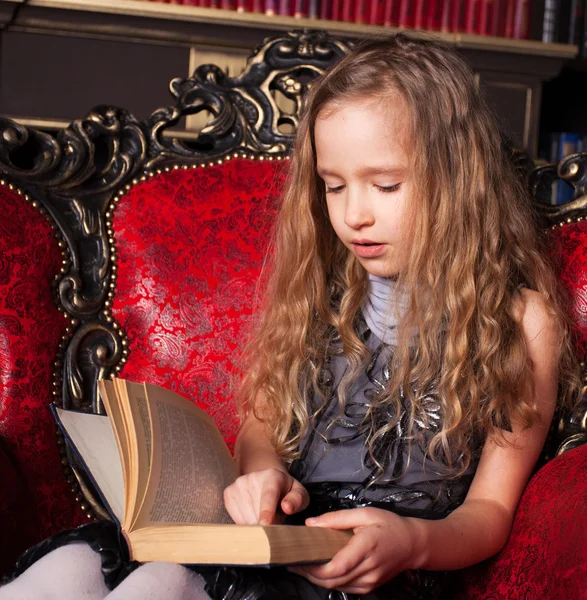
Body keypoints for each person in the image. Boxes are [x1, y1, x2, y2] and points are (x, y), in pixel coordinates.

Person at [0, 32, 579, 600]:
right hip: (275, 544)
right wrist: (263, 476)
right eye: (332, 187)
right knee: (86, 561)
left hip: (377, 569)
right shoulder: (319, 295)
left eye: (385, 185)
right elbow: (263, 428)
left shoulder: (522, 319)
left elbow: (491, 509)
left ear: (458, 179)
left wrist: (414, 543)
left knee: (165, 583)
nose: (354, 215)